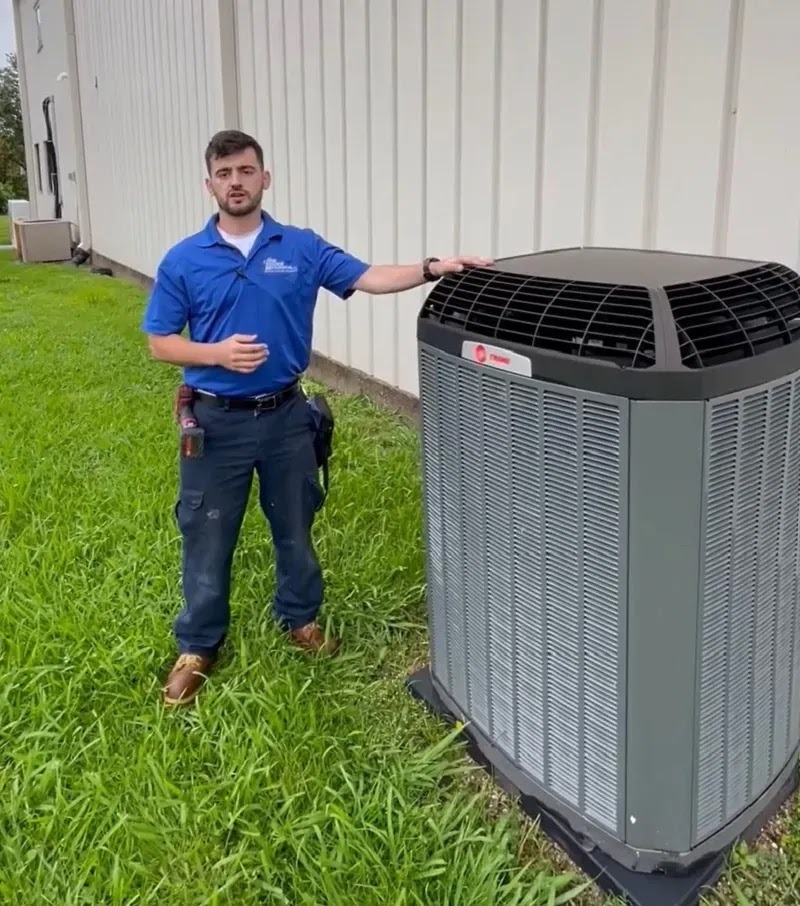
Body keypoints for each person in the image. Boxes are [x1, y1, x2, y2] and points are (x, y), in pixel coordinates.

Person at [142, 129, 491, 707]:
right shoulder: (185, 260)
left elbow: (368, 276)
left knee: (295, 528)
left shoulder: (298, 248)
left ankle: (299, 618)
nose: (236, 182)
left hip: (284, 420)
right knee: (206, 535)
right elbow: (160, 342)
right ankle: (199, 646)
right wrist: (216, 354)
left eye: (246, 171)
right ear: (209, 185)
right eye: (225, 173)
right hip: (216, 423)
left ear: (264, 178)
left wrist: (432, 267)